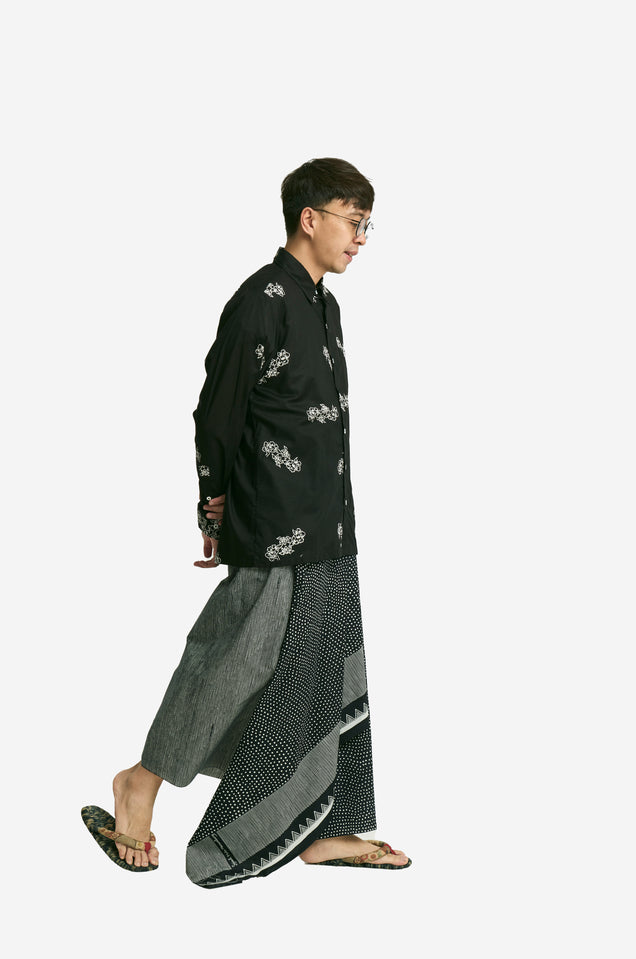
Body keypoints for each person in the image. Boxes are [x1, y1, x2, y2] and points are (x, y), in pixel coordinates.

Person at [82, 158, 411, 886]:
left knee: (326, 669)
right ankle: (140, 783)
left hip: (329, 526)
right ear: (310, 219)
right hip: (275, 528)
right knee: (231, 662)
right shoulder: (260, 301)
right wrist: (213, 503)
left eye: (367, 224)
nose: (362, 237)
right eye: (354, 222)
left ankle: (327, 828)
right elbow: (217, 413)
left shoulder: (324, 306)